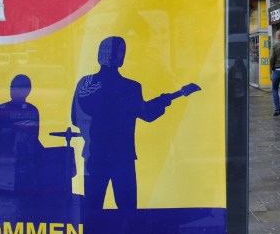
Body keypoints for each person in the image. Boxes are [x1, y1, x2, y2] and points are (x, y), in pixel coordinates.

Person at [70, 36, 196, 210]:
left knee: (92, 209)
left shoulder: (86, 83)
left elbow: (75, 118)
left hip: (94, 154)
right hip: (122, 156)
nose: (123, 55)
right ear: (114, 55)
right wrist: (175, 95)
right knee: (127, 211)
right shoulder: (130, 87)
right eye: (121, 51)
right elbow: (146, 113)